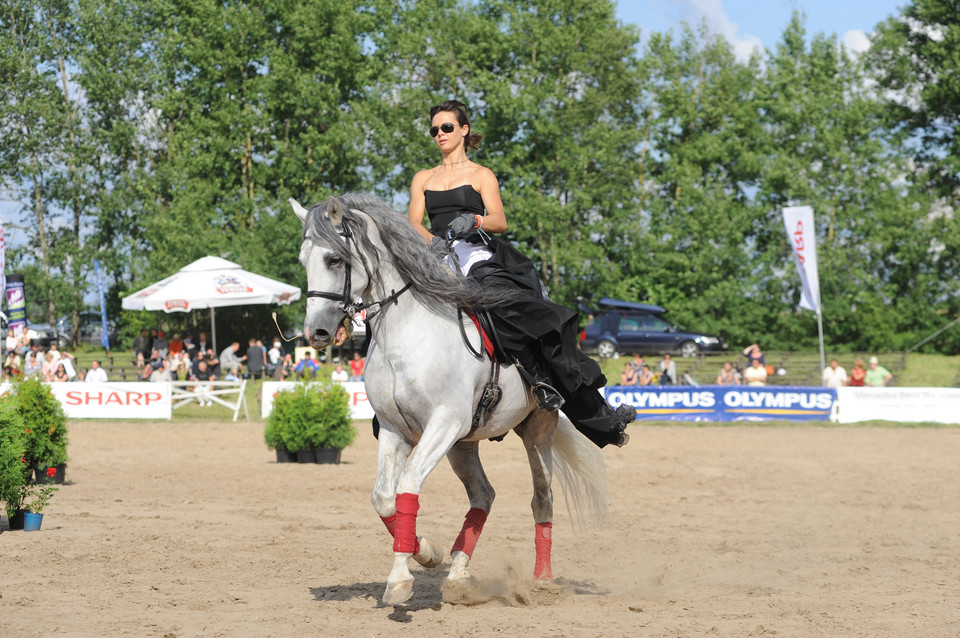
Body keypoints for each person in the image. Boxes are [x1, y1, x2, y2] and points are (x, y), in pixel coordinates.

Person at [406, 99, 631, 447]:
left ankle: (553, 388)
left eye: (446, 127)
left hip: (479, 258)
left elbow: (500, 220)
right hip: (436, 260)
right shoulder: (423, 178)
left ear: (463, 130)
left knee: (525, 314)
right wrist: (434, 241)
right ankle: (389, 409)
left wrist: (476, 220)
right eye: (434, 129)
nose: (439, 134)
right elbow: (412, 223)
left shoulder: (481, 175)